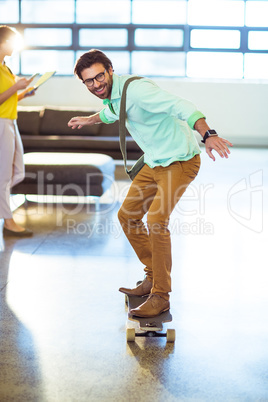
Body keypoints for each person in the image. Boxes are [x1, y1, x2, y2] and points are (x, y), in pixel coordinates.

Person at [68, 49, 232, 317]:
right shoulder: (113, 96)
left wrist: (208, 133)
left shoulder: (137, 90)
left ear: (110, 70)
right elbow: (111, 113)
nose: (96, 84)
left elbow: (181, 106)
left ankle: (161, 295)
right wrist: (89, 120)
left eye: (99, 76)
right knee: (128, 216)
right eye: (89, 81)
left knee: (156, 220)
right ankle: (152, 276)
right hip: (154, 162)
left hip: (179, 161)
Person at [0, 25, 35, 237]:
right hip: (1, 122)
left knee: (17, 170)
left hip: (11, 121)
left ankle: (4, 210)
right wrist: (16, 87)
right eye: (12, 42)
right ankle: (9, 221)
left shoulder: (6, 68)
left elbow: (9, 98)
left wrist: (24, 94)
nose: (14, 47)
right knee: (4, 174)